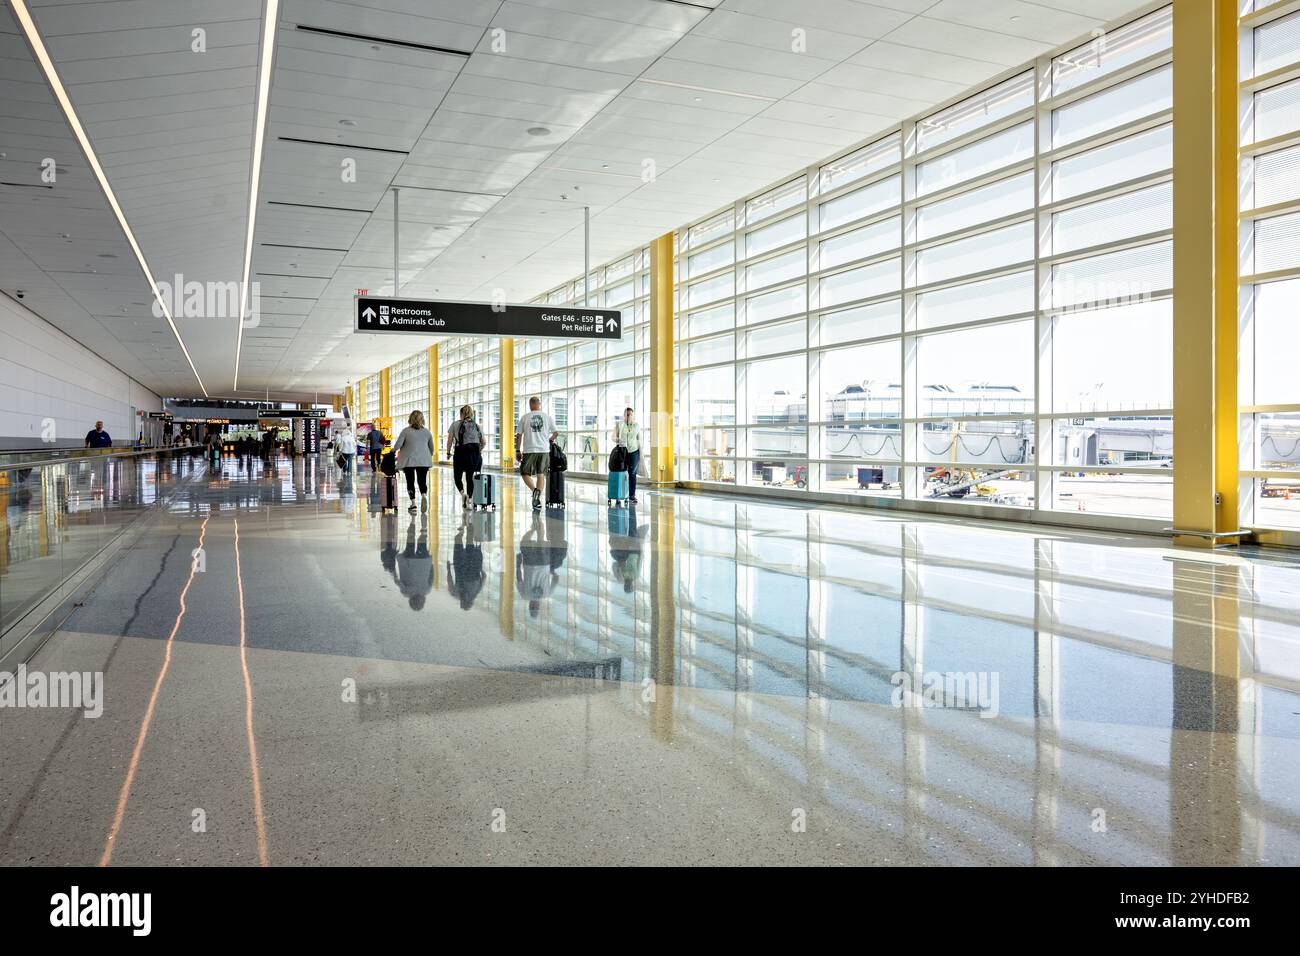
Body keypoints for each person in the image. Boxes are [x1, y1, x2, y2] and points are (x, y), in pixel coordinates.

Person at [515, 396, 558, 512]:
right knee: (541, 474)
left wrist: (517, 450)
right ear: (539, 404)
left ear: (530, 405)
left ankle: (535, 491)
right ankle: (537, 498)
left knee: (524, 472)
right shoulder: (547, 417)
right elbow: (556, 433)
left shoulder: (524, 418)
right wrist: (549, 440)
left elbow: (518, 435)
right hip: (543, 450)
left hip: (529, 450)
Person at [392, 410, 434, 514]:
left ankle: (413, 503)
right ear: (422, 419)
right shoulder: (427, 432)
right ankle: (424, 494)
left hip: (409, 460)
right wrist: (427, 456)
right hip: (423, 460)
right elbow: (431, 448)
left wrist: (392, 451)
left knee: (410, 481)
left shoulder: (406, 431)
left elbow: (398, 445)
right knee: (422, 480)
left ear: (410, 418)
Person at [446, 404, 483, 510]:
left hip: (459, 453)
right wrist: (477, 451)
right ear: (471, 413)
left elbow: (449, 441)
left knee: (457, 477)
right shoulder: (476, 425)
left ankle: (463, 494)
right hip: (472, 454)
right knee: (469, 478)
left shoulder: (455, 424)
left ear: (461, 413)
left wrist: (448, 452)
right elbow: (483, 442)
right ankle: (470, 500)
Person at [612, 406, 642, 504]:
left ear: (633, 415)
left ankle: (632, 495)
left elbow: (639, 439)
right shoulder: (619, 425)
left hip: (634, 451)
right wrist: (618, 440)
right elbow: (613, 437)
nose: (629, 416)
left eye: (630, 414)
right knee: (622, 473)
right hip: (622, 452)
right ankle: (621, 494)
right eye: (627, 414)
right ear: (624, 415)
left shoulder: (636, 426)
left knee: (632, 473)